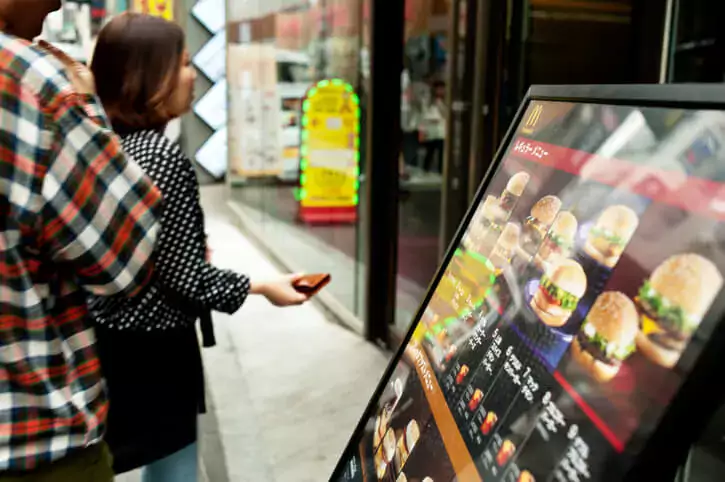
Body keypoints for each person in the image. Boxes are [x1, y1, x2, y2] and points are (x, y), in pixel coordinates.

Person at [88, 13, 310, 480]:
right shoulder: (163, 157)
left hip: (113, 339)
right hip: (156, 350)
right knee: (175, 469)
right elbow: (185, 278)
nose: (193, 74)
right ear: (145, 77)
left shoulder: (111, 145)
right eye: (184, 63)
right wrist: (265, 286)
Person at [0, 1, 163, 481]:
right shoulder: (25, 80)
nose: (54, 5)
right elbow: (125, 256)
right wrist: (84, 103)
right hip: (31, 448)